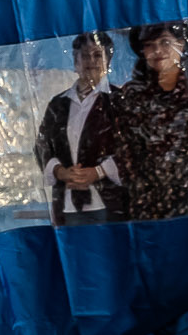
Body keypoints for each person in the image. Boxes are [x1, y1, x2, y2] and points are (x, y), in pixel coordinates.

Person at [113, 21, 188, 219]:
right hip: (147, 202)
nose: (158, 51)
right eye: (149, 45)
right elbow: (124, 148)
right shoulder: (132, 92)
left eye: (165, 42)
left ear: (182, 44)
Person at [35, 31, 127, 225]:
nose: (91, 61)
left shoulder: (120, 101)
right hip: (66, 204)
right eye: (85, 55)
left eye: (97, 55)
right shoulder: (58, 104)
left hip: (110, 204)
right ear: (75, 62)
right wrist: (60, 171)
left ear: (108, 61)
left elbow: (133, 148)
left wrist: (98, 172)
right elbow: (42, 146)